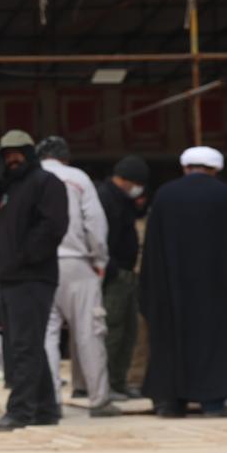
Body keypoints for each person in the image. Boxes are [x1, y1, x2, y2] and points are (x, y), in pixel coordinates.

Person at [139, 147, 227, 418]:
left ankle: (170, 402)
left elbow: (152, 246)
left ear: (185, 167)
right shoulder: (224, 194)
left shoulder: (165, 194)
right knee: (213, 339)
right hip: (216, 286)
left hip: (170, 287)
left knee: (171, 339)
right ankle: (213, 401)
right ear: (215, 169)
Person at [0, 129, 70, 432]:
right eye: (7, 155)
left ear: (29, 154)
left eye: (18, 154)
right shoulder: (8, 187)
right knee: (27, 343)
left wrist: (24, 257)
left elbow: (53, 227)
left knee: (24, 346)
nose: (13, 159)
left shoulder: (46, 183)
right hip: (9, 277)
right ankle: (46, 408)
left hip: (33, 276)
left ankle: (20, 411)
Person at [36, 137, 117, 416]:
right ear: (66, 158)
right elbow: (95, 222)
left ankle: (51, 401)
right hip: (77, 263)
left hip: (40, 266)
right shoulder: (78, 178)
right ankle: (99, 399)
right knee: (89, 333)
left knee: (45, 336)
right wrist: (100, 259)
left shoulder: (30, 179)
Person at [96, 158, 147, 399]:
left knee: (129, 330)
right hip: (114, 273)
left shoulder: (121, 199)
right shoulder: (106, 197)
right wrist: (111, 268)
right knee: (113, 330)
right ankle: (105, 384)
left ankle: (118, 381)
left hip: (126, 272)